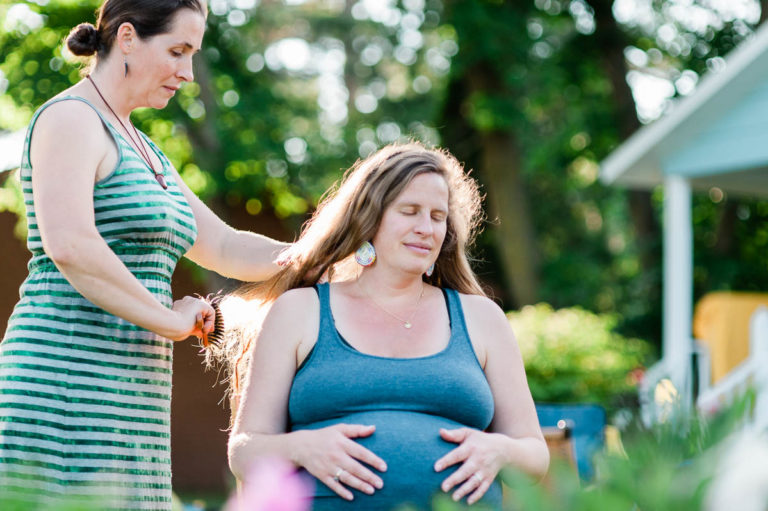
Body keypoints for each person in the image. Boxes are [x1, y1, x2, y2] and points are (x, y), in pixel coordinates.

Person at [0, 0, 287, 509]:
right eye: (178, 51)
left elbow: (224, 246)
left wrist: (331, 252)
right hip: (63, 385)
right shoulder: (71, 118)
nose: (188, 73)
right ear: (128, 37)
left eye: (193, 55)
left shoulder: (144, 148)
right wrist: (170, 321)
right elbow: (71, 244)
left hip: (133, 398)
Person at [225, 143, 549, 510]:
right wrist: (300, 447)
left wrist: (500, 450)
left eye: (438, 216)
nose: (426, 228)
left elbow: (534, 454)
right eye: (409, 211)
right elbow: (244, 451)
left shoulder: (482, 318)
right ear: (369, 217)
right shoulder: (300, 311)